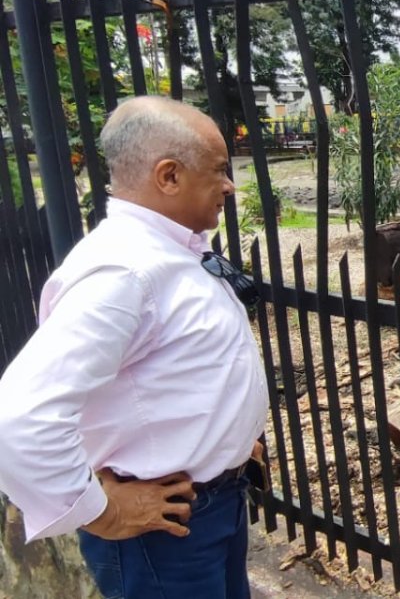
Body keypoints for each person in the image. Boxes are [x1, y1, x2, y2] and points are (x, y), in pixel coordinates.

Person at [0, 96, 268, 598]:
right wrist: (99, 513)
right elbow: (18, 418)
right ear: (169, 176)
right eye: (219, 170)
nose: (229, 186)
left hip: (210, 508)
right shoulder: (125, 272)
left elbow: (175, 368)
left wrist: (227, 439)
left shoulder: (171, 252)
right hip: (162, 538)